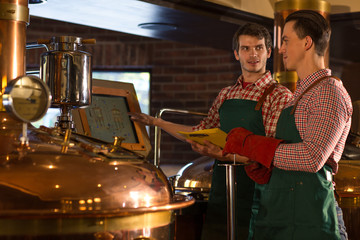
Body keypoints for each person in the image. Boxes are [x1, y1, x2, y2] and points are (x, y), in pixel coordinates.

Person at [130, 23, 293, 240]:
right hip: (221, 189)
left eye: (258, 48)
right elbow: (199, 131)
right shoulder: (225, 94)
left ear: (268, 52)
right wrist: (156, 122)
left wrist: (223, 154)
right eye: (246, 48)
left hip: (259, 192)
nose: (253, 54)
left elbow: (272, 154)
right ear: (236, 54)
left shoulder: (279, 96)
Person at [222, 10, 352, 240]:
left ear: (307, 42)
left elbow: (312, 157)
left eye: (285, 41)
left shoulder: (328, 92)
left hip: (313, 219)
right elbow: (286, 152)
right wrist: (257, 160)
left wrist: (252, 145)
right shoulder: (300, 95)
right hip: (281, 216)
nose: (280, 49)